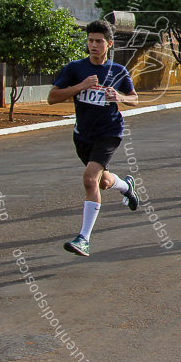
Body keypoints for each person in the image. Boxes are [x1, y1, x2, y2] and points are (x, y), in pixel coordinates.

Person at [48, 20, 139, 258]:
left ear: (109, 44)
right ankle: (127, 186)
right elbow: (52, 98)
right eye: (90, 40)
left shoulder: (118, 71)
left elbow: (135, 99)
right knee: (102, 182)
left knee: (90, 179)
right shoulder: (75, 68)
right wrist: (80, 86)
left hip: (109, 133)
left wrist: (118, 96)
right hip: (83, 136)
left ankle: (84, 239)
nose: (93, 45)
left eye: (99, 41)